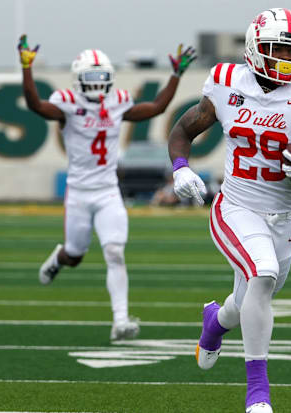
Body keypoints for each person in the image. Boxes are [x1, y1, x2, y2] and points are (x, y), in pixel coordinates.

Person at [167, 9, 291, 413]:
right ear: (254, 48)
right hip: (234, 206)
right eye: (276, 50)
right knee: (263, 274)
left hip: (281, 219)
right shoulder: (225, 82)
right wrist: (181, 168)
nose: (285, 60)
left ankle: (215, 322)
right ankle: (258, 394)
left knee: (250, 296)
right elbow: (184, 129)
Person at [18, 35, 195, 340]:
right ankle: (58, 258)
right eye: (91, 78)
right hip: (79, 193)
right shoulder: (67, 104)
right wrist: (26, 69)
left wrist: (176, 75)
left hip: (108, 191)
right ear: (78, 79)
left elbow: (156, 107)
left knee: (114, 251)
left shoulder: (117, 102)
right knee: (75, 255)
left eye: (103, 78)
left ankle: (121, 320)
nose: (98, 84)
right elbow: (36, 105)